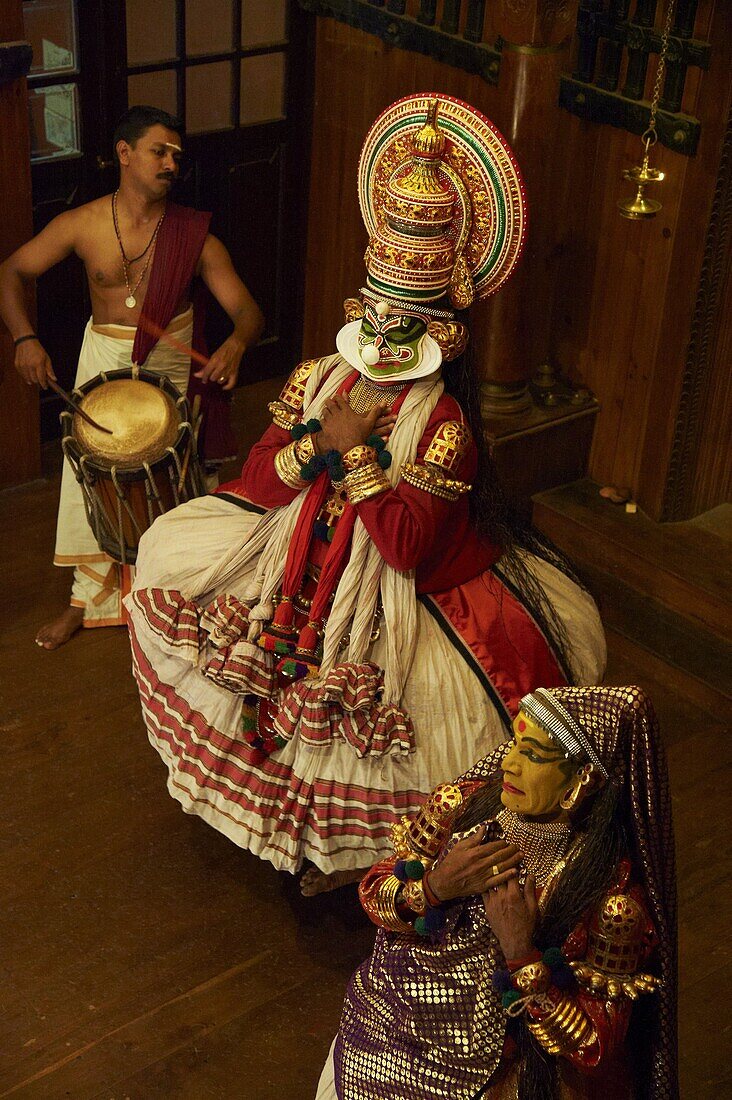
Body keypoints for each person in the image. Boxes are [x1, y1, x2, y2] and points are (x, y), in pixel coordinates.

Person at [125, 94, 606, 895]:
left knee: (380, 735)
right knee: (201, 605)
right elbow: (256, 478)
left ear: (439, 336)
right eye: (374, 322)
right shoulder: (322, 375)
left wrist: (354, 460)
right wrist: (317, 441)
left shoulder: (445, 423)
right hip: (294, 567)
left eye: (401, 331)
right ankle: (286, 826)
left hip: (389, 596)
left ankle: (348, 860)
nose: (382, 346)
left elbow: (406, 544)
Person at [317, 684, 677, 1100]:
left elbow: (592, 1045)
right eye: (516, 743)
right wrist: (434, 888)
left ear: (581, 780)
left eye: (534, 755)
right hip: (387, 1021)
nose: (509, 762)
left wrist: (521, 953)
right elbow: (373, 895)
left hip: (498, 1068)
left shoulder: (610, 898)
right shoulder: (460, 806)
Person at [0, 105, 264, 650]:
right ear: (125, 153)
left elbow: (247, 312)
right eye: (159, 151)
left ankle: (176, 596)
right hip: (104, 363)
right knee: (90, 477)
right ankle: (85, 600)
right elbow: (12, 272)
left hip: (172, 366)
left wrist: (237, 343)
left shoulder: (195, 237)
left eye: (176, 156)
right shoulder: (81, 224)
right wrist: (25, 339)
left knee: (180, 476)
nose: (171, 163)